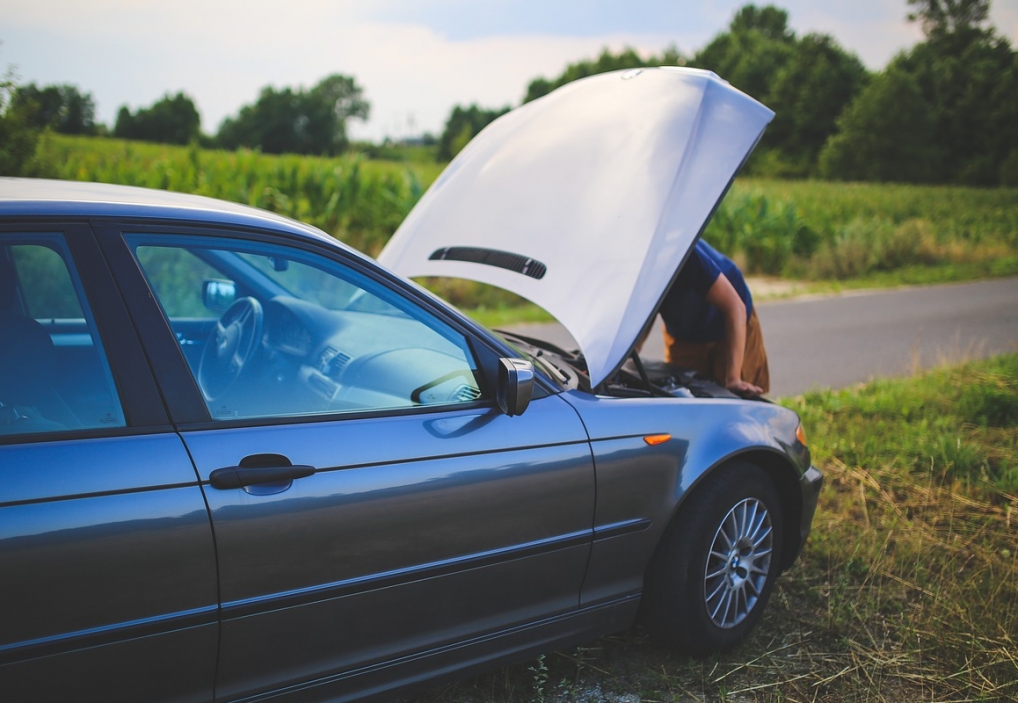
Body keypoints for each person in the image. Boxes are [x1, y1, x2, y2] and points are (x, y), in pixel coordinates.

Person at [656, 239, 770, 395]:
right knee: (683, 397)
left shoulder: (682, 253)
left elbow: (735, 308)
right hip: (684, 331)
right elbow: (642, 315)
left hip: (730, 321)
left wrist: (733, 378)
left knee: (737, 398)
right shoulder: (629, 266)